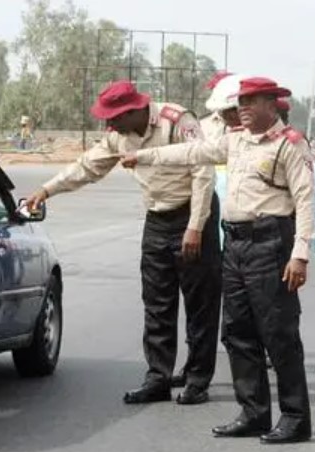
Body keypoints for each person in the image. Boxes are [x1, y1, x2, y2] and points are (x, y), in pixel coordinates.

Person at [121, 77, 315, 444]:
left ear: (271, 104)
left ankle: (294, 416)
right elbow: (190, 153)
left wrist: (300, 255)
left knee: (277, 334)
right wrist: (143, 156)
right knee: (237, 332)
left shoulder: (289, 144)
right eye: (239, 101)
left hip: (270, 242)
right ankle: (254, 412)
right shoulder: (236, 139)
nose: (241, 108)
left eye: (250, 101)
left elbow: (305, 202)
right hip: (236, 243)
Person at [25, 80, 222, 406]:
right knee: (157, 303)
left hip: (193, 215)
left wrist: (195, 227)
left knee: (200, 303)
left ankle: (197, 380)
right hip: (158, 219)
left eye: (113, 117)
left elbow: (203, 171)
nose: (108, 125)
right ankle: (158, 378)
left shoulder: (177, 121)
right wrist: (46, 190)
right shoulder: (120, 135)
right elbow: (87, 167)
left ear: (133, 110)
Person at [170, 73, 244, 389]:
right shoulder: (203, 126)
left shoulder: (258, 131)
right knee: (202, 296)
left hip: (244, 218)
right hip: (210, 216)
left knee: (234, 302)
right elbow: (193, 162)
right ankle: (194, 364)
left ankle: (245, 359)